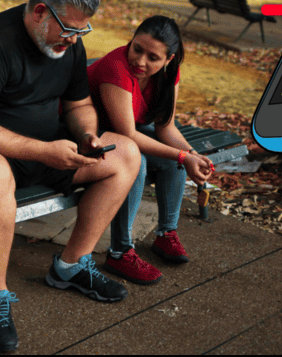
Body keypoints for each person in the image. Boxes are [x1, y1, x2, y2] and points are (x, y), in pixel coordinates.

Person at [0, 0, 141, 352]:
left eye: (83, 31)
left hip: (45, 148)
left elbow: (79, 104)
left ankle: (72, 265)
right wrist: (44, 151)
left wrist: (86, 136)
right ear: (40, 11)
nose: (76, 39)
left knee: (126, 153)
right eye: (69, 29)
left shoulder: (68, 44)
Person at [87, 16, 214, 286]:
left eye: (152, 57)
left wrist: (192, 155)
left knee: (173, 158)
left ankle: (165, 233)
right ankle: (120, 251)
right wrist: (183, 156)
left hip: (121, 133)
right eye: (137, 49)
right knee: (137, 162)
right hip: (87, 132)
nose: (141, 61)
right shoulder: (116, 68)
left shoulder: (169, 74)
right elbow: (129, 135)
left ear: (169, 60)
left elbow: (165, 127)